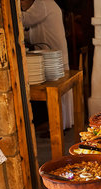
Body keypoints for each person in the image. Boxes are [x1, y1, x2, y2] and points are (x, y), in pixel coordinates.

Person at [21, 0, 74, 130]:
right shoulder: (44, 4)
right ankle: (61, 124)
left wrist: (13, 10)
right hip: (52, 55)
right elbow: (32, 32)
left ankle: (60, 125)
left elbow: (24, 20)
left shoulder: (42, 3)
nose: (22, 5)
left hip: (53, 56)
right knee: (61, 93)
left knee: (59, 92)